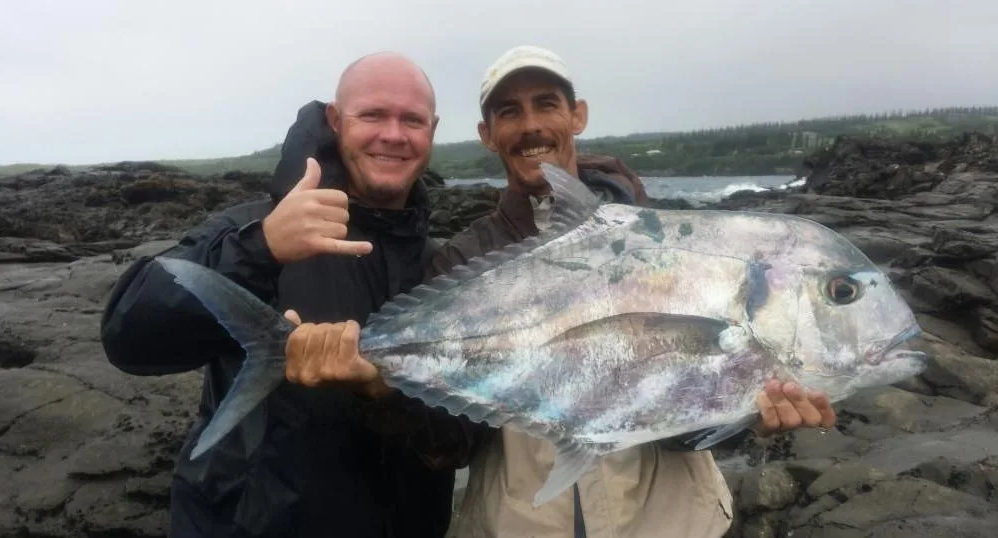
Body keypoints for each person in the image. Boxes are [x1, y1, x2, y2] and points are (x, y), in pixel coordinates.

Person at [420, 45, 840, 537]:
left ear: (577, 116)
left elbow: (686, 419)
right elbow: (451, 440)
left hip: (669, 523)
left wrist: (747, 411)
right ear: (487, 136)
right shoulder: (463, 262)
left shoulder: (669, 246)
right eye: (509, 112)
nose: (530, 124)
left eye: (547, 104)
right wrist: (376, 387)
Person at [99, 52, 462, 538]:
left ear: (432, 130)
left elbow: (461, 430)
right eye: (372, 115)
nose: (393, 134)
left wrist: (381, 386)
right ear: (336, 120)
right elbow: (129, 335)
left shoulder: (445, 266)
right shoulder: (247, 228)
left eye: (412, 120)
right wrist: (261, 247)